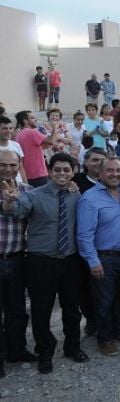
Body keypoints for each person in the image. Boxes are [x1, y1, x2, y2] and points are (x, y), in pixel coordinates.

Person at [2, 153, 88, 373]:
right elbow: (17, 211)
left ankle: (72, 346)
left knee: (71, 308)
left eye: (66, 170)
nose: (62, 173)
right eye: (57, 169)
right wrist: (10, 202)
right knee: (41, 311)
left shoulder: (76, 195)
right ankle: (45, 352)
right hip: (41, 262)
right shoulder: (34, 195)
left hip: (70, 260)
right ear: (50, 171)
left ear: (73, 172)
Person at [77, 158, 120, 357]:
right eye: (110, 171)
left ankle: (119, 330)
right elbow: (84, 234)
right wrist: (93, 261)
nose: (115, 174)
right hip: (104, 258)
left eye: (118, 170)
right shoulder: (89, 198)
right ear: (100, 173)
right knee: (104, 301)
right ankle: (104, 339)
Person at [0, 151, 38, 378]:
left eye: (12, 165)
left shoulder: (28, 191)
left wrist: (71, 185)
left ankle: (17, 350)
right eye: (2, 165)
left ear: (19, 166)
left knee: (17, 310)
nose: (7, 169)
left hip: (17, 260)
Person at [15, 110, 59, 187]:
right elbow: (51, 141)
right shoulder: (31, 132)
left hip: (27, 175)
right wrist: (54, 128)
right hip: (38, 174)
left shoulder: (19, 134)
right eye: (32, 118)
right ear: (25, 121)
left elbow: (35, 147)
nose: (35, 120)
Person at [0, 116, 27, 184]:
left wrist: (25, 184)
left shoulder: (16, 145)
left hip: (18, 184)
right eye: (4, 128)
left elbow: (21, 167)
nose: (8, 131)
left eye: (10, 128)